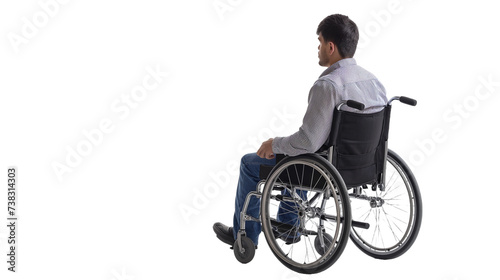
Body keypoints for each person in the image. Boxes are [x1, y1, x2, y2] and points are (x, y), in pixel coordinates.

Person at [213, 14, 388, 248]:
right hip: (362, 167)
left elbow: (308, 142)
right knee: (296, 153)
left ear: (331, 46)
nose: (318, 48)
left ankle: (244, 236)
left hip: (323, 169)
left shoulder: (328, 85)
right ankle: (289, 225)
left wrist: (274, 143)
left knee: (253, 162)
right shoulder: (374, 82)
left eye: (319, 41)